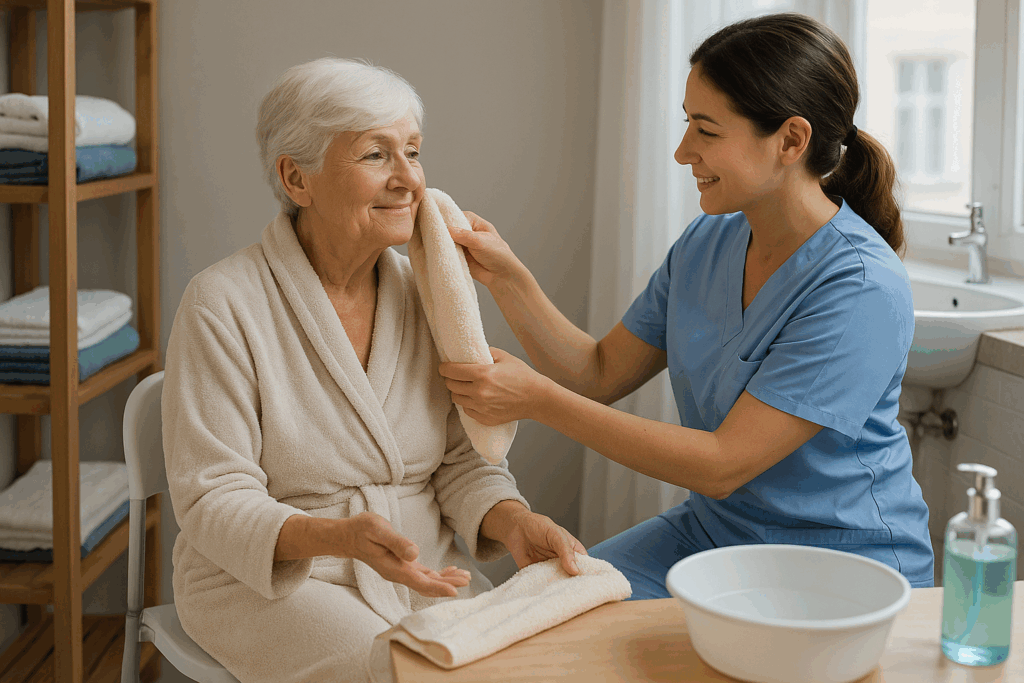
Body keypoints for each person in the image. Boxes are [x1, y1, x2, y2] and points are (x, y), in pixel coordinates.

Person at [438, 12, 934, 599]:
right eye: (686, 124)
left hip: (837, 561)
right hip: (714, 533)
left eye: (706, 130)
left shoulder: (860, 287)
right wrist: (507, 279)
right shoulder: (708, 242)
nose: (681, 152)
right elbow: (598, 372)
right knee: (542, 603)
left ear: (791, 141)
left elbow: (723, 464)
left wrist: (538, 400)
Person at [161, 57, 584, 683]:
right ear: (296, 178)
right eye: (375, 155)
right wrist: (335, 538)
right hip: (271, 579)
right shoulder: (223, 303)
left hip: (419, 568)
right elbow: (211, 498)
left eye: (412, 152)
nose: (408, 179)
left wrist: (517, 524)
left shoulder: (428, 292)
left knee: (522, 666)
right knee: (404, 672)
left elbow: (461, 463)